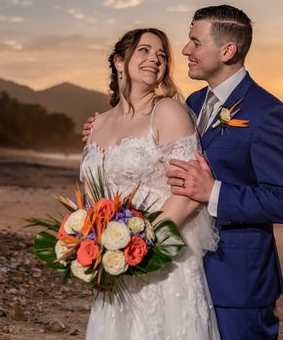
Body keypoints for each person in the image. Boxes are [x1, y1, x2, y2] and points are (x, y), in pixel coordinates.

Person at [165, 5, 283, 339]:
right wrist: (105, 128)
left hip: (237, 284)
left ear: (227, 50)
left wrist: (213, 192)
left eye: (194, 42)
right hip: (186, 270)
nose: (185, 50)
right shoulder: (193, 104)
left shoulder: (268, 113)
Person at [82, 28, 220, 339]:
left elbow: (187, 193)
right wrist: (94, 244)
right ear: (120, 61)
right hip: (112, 258)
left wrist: (141, 247)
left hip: (162, 261)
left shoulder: (167, 111)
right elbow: (94, 194)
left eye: (161, 55)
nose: (154, 59)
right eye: (144, 50)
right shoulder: (98, 123)